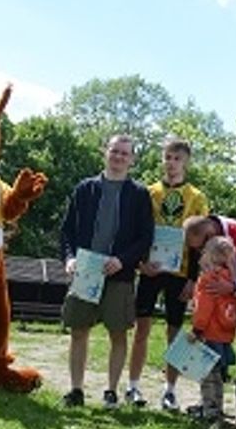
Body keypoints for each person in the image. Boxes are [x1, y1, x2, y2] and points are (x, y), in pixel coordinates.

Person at [59, 134, 154, 408]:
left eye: (125, 154)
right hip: (85, 272)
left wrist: (123, 260)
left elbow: (144, 238)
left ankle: (111, 391)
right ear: (105, 152)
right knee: (79, 331)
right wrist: (69, 259)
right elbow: (67, 232)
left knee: (118, 334)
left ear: (132, 160)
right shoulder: (84, 189)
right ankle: (76, 390)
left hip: (119, 274)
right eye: (115, 151)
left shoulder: (138, 194)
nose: (119, 157)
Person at [128, 138, 210, 410]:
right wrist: (140, 263)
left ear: (186, 161)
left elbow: (204, 241)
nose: (171, 163)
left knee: (174, 332)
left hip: (180, 271)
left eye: (177, 158)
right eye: (167, 157)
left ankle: (170, 390)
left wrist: (193, 279)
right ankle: (133, 386)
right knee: (142, 328)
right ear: (161, 160)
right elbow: (137, 231)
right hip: (151, 269)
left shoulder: (197, 198)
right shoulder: (147, 193)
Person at [183, 214, 236, 412]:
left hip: (212, 329)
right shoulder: (221, 269)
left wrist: (197, 328)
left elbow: (204, 306)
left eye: (202, 247)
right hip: (225, 329)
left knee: (209, 371)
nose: (200, 252)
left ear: (210, 235)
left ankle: (217, 406)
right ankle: (213, 405)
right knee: (219, 370)